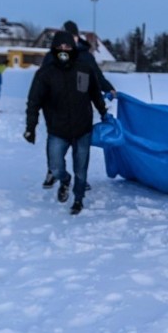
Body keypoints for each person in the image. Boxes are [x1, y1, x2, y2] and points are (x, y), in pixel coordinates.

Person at [24, 31, 108, 215]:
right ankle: (64, 179)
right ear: (54, 49)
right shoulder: (45, 73)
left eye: (67, 47)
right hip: (57, 129)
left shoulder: (84, 69)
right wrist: (30, 127)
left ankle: (78, 199)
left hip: (82, 128)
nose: (64, 50)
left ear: (73, 48)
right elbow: (33, 102)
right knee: (55, 167)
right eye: (60, 47)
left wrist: (104, 113)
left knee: (81, 169)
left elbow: (94, 93)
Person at [40, 21, 116, 189]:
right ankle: (52, 171)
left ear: (76, 37)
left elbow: (96, 77)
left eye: (71, 37)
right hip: (55, 108)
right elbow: (42, 79)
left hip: (79, 109)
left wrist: (109, 88)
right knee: (55, 142)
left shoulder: (85, 56)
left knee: (79, 143)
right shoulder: (52, 56)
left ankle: (80, 178)